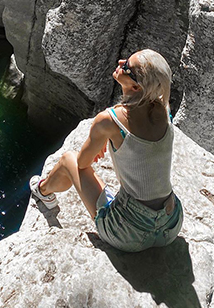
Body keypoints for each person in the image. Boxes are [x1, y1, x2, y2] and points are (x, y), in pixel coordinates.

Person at [29, 49, 183, 252]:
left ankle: (43, 192)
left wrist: (104, 133)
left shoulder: (109, 120)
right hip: (170, 224)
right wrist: (108, 134)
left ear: (136, 86)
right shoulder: (164, 112)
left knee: (69, 159)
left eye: (127, 66)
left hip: (129, 234)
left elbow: (82, 164)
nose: (120, 62)